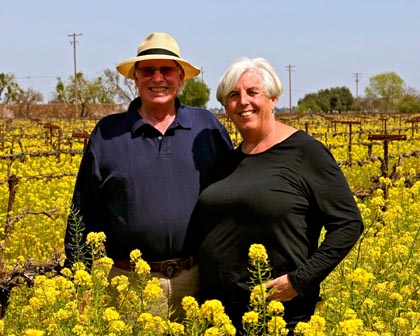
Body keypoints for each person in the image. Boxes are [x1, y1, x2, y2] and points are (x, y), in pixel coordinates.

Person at [64, 32, 233, 321]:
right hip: (127, 284)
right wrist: (78, 285)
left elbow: (233, 196)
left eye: (166, 69)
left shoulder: (207, 127)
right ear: (136, 79)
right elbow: (84, 210)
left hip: (197, 281)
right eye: (148, 70)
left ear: (180, 78)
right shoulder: (107, 133)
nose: (158, 78)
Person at [191, 57, 364, 334]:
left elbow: (348, 224)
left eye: (252, 92)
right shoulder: (226, 161)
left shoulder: (306, 153)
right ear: (225, 106)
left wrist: (300, 281)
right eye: (233, 95)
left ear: (272, 99)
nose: (243, 102)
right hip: (218, 315)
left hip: (280, 315)